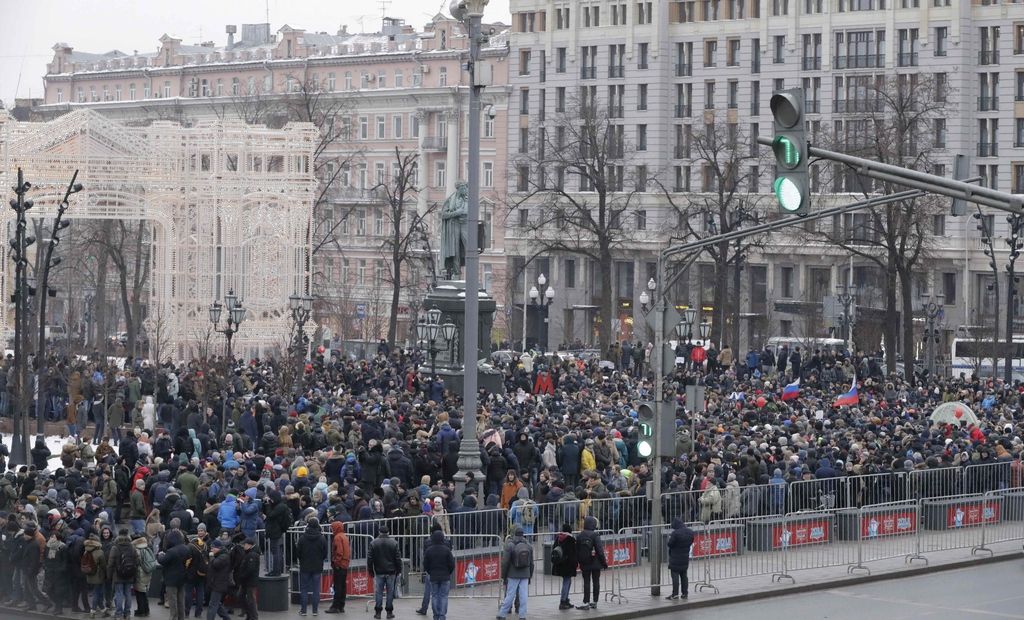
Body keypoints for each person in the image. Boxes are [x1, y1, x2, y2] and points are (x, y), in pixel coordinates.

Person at [497, 526, 533, 620]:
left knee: (510, 595)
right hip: (525, 574)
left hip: (512, 574)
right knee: (523, 596)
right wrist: (530, 576)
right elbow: (532, 563)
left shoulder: (509, 545)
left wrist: (503, 576)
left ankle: (502, 614)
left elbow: (505, 562)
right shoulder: (528, 545)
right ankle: (522, 616)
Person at [367, 525, 401, 620]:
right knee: (390, 592)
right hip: (391, 572)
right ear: (388, 532)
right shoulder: (394, 543)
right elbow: (397, 558)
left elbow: (370, 559)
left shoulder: (374, 543)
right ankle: (389, 612)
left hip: (379, 571)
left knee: (379, 592)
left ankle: (378, 612)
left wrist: (370, 570)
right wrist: (399, 570)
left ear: (379, 532)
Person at [296, 517, 328, 617]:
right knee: (316, 589)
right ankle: (315, 610)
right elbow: (325, 553)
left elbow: (298, 553)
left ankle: (303, 610)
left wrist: (301, 560)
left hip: (305, 566)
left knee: (304, 589)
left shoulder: (302, 538)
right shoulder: (322, 538)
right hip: (317, 566)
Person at [421, 529, 454, 620]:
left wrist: (430, 572)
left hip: (433, 576)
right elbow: (452, 564)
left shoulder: (429, 550)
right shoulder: (447, 550)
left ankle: (436, 615)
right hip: (445, 576)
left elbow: (425, 564)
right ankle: (442, 615)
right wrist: (448, 572)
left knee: (434, 596)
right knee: (443, 596)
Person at [575, 516, 607, 610]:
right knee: (596, 582)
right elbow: (600, 551)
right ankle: (595, 601)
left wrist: (579, 561)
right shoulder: (595, 535)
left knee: (586, 582)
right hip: (596, 562)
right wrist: (604, 562)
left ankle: (586, 602)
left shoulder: (580, 535)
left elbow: (577, 550)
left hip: (585, 563)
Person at [157, 529, 189, 620]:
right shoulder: (186, 548)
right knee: (181, 601)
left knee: (173, 601)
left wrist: (159, 555)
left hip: (171, 579)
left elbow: (162, 560)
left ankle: (173, 617)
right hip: (182, 578)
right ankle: (181, 617)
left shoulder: (171, 551)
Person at [107, 528, 137, 620]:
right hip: (129, 574)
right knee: (128, 594)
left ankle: (118, 614)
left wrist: (109, 576)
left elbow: (110, 564)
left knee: (119, 594)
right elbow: (137, 560)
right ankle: (127, 614)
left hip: (118, 574)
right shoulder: (132, 546)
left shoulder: (115, 547)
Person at [666, 519, 695, 601]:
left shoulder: (675, 533)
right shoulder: (690, 532)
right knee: (684, 575)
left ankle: (675, 594)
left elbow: (670, 544)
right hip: (685, 557)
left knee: (675, 575)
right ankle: (685, 593)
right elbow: (691, 541)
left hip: (675, 557)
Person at [550, 523, 578, 610]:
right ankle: (563, 601)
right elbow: (573, 554)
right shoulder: (571, 539)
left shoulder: (558, 538)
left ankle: (566, 599)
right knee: (567, 582)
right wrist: (575, 564)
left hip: (560, 564)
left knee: (567, 582)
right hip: (568, 565)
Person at [326, 520, 350, 614]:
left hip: (339, 565)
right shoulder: (344, 536)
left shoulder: (337, 537)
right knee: (343, 586)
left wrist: (336, 562)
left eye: (332, 528)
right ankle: (341, 606)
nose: (331, 529)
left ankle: (335, 606)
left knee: (338, 586)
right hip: (345, 564)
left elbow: (339, 552)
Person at [206, 539, 234, 620]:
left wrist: (211, 557)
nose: (211, 550)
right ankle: (227, 618)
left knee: (212, 605)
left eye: (213, 548)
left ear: (218, 548)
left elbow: (215, 564)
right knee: (217, 604)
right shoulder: (219, 555)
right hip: (215, 583)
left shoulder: (224, 556)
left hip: (219, 584)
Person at [82, 532, 108, 618]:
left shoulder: (86, 550)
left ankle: (103, 610)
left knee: (99, 593)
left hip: (89, 575)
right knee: (97, 593)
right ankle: (92, 611)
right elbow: (104, 566)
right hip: (99, 576)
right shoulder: (100, 552)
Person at [132, 533, 156, 617]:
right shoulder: (146, 547)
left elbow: (137, 562)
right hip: (147, 573)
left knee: (139, 594)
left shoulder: (137, 550)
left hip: (140, 574)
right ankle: (146, 610)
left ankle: (141, 611)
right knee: (144, 593)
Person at [237, 537, 261, 620]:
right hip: (246, 581)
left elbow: (250, 569)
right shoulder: (248, 553)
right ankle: (249, 614)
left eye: (245, 544)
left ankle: (253, 617)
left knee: (251, 600)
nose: (243, 546)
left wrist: (242, 576)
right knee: (241, 596)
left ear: (249, 545)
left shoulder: (252, 555)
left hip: (250, 581)